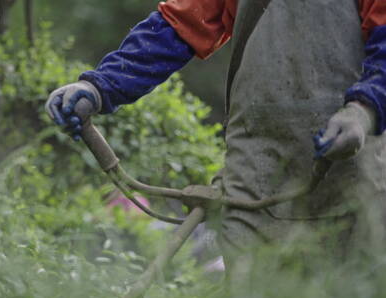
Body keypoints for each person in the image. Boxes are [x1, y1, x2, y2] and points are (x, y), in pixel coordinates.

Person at [45, 0, 386, 269]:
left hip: (356, 162)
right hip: (256, 166)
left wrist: (364, 110)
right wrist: (99, 86)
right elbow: (180, 25)